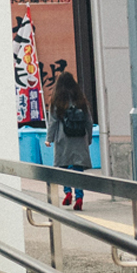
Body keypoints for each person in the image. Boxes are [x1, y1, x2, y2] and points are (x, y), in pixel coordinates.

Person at [46, 72, 92, 209]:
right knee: (78, 169)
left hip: (63, 138)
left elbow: (53, 122)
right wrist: (88, 138)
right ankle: (79, 197)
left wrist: (49, 139)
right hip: (79, 138)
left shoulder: (57, 100)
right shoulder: (81, 100)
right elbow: (89, 120)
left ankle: (67, 192)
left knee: (63, 166)